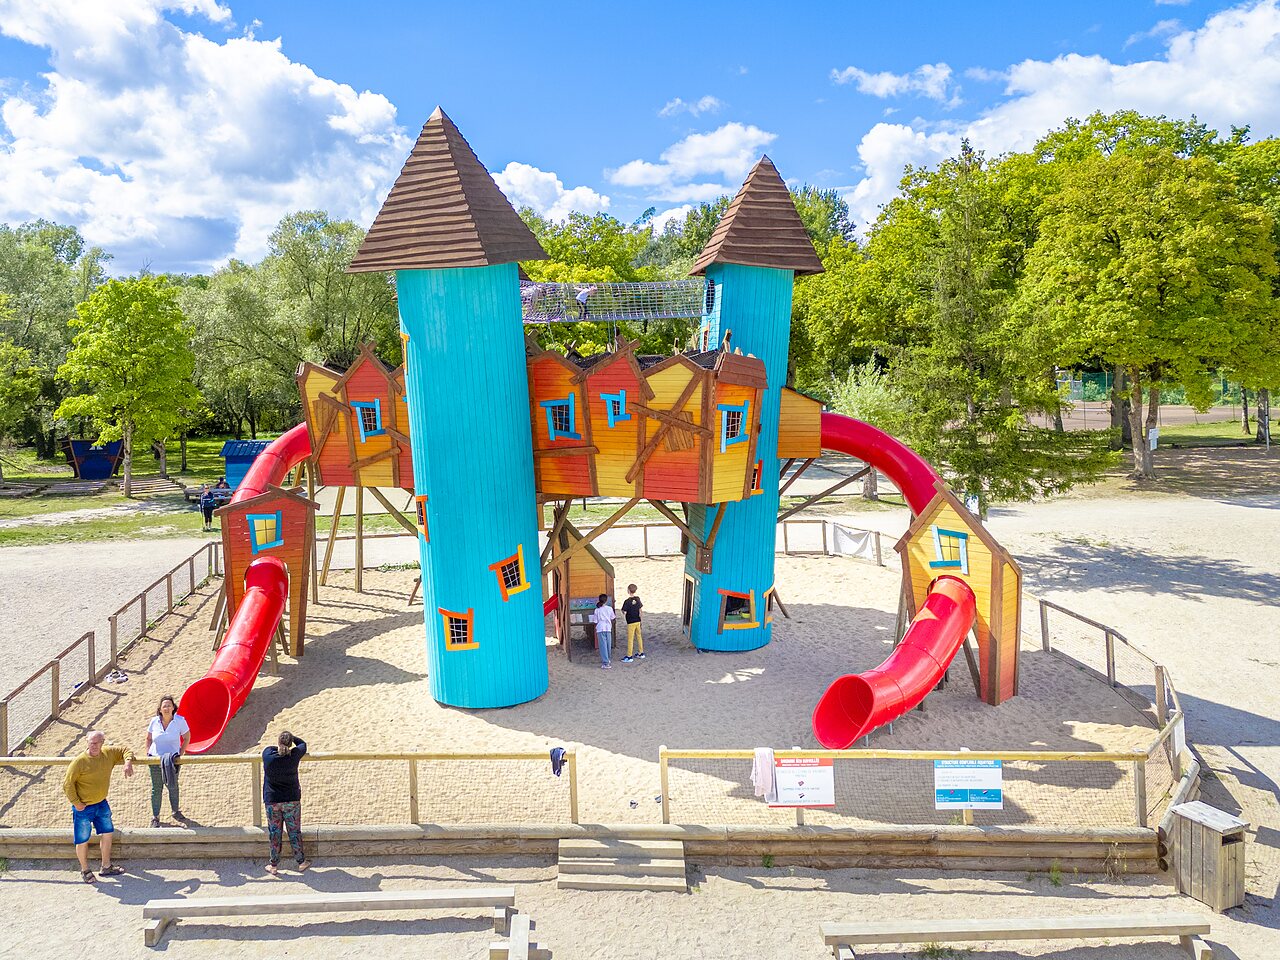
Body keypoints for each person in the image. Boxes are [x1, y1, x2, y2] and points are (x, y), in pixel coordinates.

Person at [62, 731, 134, 883]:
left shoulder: (108, 754)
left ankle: (106, 866)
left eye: (97, 743)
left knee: (107, 832)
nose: (94, 746)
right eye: (91, 743)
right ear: (86, 742)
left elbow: (125, 750)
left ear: (103, 742)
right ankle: (85, 870)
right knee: (82, 839)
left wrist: (127, 762)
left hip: (101, 803)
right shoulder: (79, 762)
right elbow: (67, 784)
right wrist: (76, 802)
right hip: (84, 806)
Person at [262, 730, 310, 875]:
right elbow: (302, 744)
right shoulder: (294, 756)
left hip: (273, 800)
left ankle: (274, 865)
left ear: (279, 742)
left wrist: (281, 742)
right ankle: (301, 862)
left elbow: (269, 748)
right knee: (294, 831)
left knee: (274, 832)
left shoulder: (268, 755)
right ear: (290, 744)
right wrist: (292, 737)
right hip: (291, 799)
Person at [145, 694, 190, 827]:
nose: (166, 708)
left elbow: (187, 738)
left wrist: (180, 754)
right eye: (164, 706)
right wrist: (148, 753)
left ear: (173, 708)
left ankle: (175, 811)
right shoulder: (154, 721)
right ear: (160, 709)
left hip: (172, 760)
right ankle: (155, 816)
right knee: (156, 788)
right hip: (155, 759)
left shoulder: (180, 720)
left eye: (169, 705)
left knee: (173, 786)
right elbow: (148, 738)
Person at [620, 583, 645, 663]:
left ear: (628, 591)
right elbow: (640, 610)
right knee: (639, 637)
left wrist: (623, 613)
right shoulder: (638, 599)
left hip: (631, 622)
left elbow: (624, 611)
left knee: (630, 639)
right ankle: (641, 652)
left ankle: (629, 655)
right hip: (638, 620)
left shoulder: (627, 601)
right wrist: (641, 620)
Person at [592, 593, 615, 670]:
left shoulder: (597, 610)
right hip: (608, 628)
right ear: (606, 600)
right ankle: (608, 659)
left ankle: (606, 662)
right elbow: (613, 617)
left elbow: (595, 621)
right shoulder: (609, 608)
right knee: (608, 644)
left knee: (603, 646)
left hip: (600, 628)